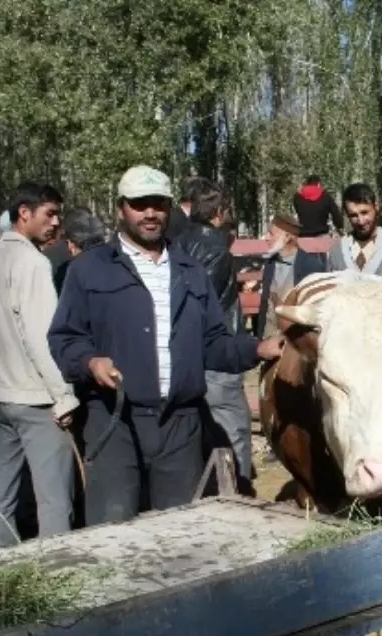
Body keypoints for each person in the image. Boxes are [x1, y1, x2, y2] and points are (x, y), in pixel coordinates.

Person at [48, 166, 284, 525]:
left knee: (179, 534)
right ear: (120, 208)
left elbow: (213, 344)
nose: (149, 213)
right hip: (115, 420)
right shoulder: (89, 269)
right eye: (139, 204)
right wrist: (90, 362)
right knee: (114, 532)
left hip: (180, 424)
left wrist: (256, 349)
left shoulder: (190, 271)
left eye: (158, 204)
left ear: (170, 208)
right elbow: (64, 338)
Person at [0, 182, 79, 547]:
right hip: (34, 396)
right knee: (55, 496)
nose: (56, 223)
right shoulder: (32, 262)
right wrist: (63, 395)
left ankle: (0, 572)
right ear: (23, 213)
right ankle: (58, 573)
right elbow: (43, 336)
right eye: (49, 214)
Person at [175, 180, 255, 495]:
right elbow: (201, 303)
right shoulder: (215, 250)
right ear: (219, 213)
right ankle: (237, 490)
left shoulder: (176, 243)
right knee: (233, 426)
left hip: (188, 355)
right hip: (216, 352)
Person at [324, 183, 382, 290]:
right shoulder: (336, 253)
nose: (360, 221)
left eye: (364, 212)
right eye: (353, 215)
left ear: (376, 206)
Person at [257, 213, 326, 338]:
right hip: (268, 339)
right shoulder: (269, 264)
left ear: (288, 237)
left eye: (271, 234)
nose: (266, 238)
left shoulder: (311, 266)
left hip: (297, 344)